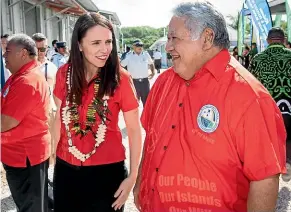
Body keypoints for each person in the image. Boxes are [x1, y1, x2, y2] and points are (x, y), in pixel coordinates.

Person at [133, 2, 286, 212]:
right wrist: (141, 185)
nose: (168, 47)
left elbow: (264, 178)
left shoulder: (249, 96)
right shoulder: (162, 83)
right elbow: (151, 138)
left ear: (206, 38)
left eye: (174, 38)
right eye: (168, 38)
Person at [52, 13, 142, 212]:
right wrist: (52, 154)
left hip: (107, 176)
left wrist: (133, 177)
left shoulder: (121, 78)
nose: (104, 49)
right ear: (79, 45)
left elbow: (134, 130)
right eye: (96, 43)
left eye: (108, 42)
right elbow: (57, 117)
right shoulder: (63, 74)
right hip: (66, 171)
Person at [1, 34, 50, 212]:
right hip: (19, 155)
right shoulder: (18, 77)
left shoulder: (26, 81)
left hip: (25, 157)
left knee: (32, 207)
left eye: (7, 51)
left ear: (22, 53)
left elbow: (5, 123)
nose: (4, 55)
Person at [249, 27, 291, 182]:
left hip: (269, 108)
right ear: (284, 40)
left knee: (270, 140)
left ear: (268, 41)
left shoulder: (258, 59)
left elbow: (249, 84)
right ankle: (287, 162)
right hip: (290, 107)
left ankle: (272, 171)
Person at [32, 33, 58, 165]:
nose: (40, 52)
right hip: (31, 113)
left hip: (49, 110)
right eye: (36, 49)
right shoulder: (25, 68)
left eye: (43, 49)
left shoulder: (52, 68)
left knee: (51, 145)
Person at [121, 40, 155, 107]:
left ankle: (146, 117)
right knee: (133, 103)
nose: (140, 47)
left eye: (141, 45)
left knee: (147, 103)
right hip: (133, 82)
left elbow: (151, 63)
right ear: (133, 46)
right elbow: (121, 65)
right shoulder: (128, 55)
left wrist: (153, 72)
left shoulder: (146, 54)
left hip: (144, 82)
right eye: (138, 45)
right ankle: (134, 117)